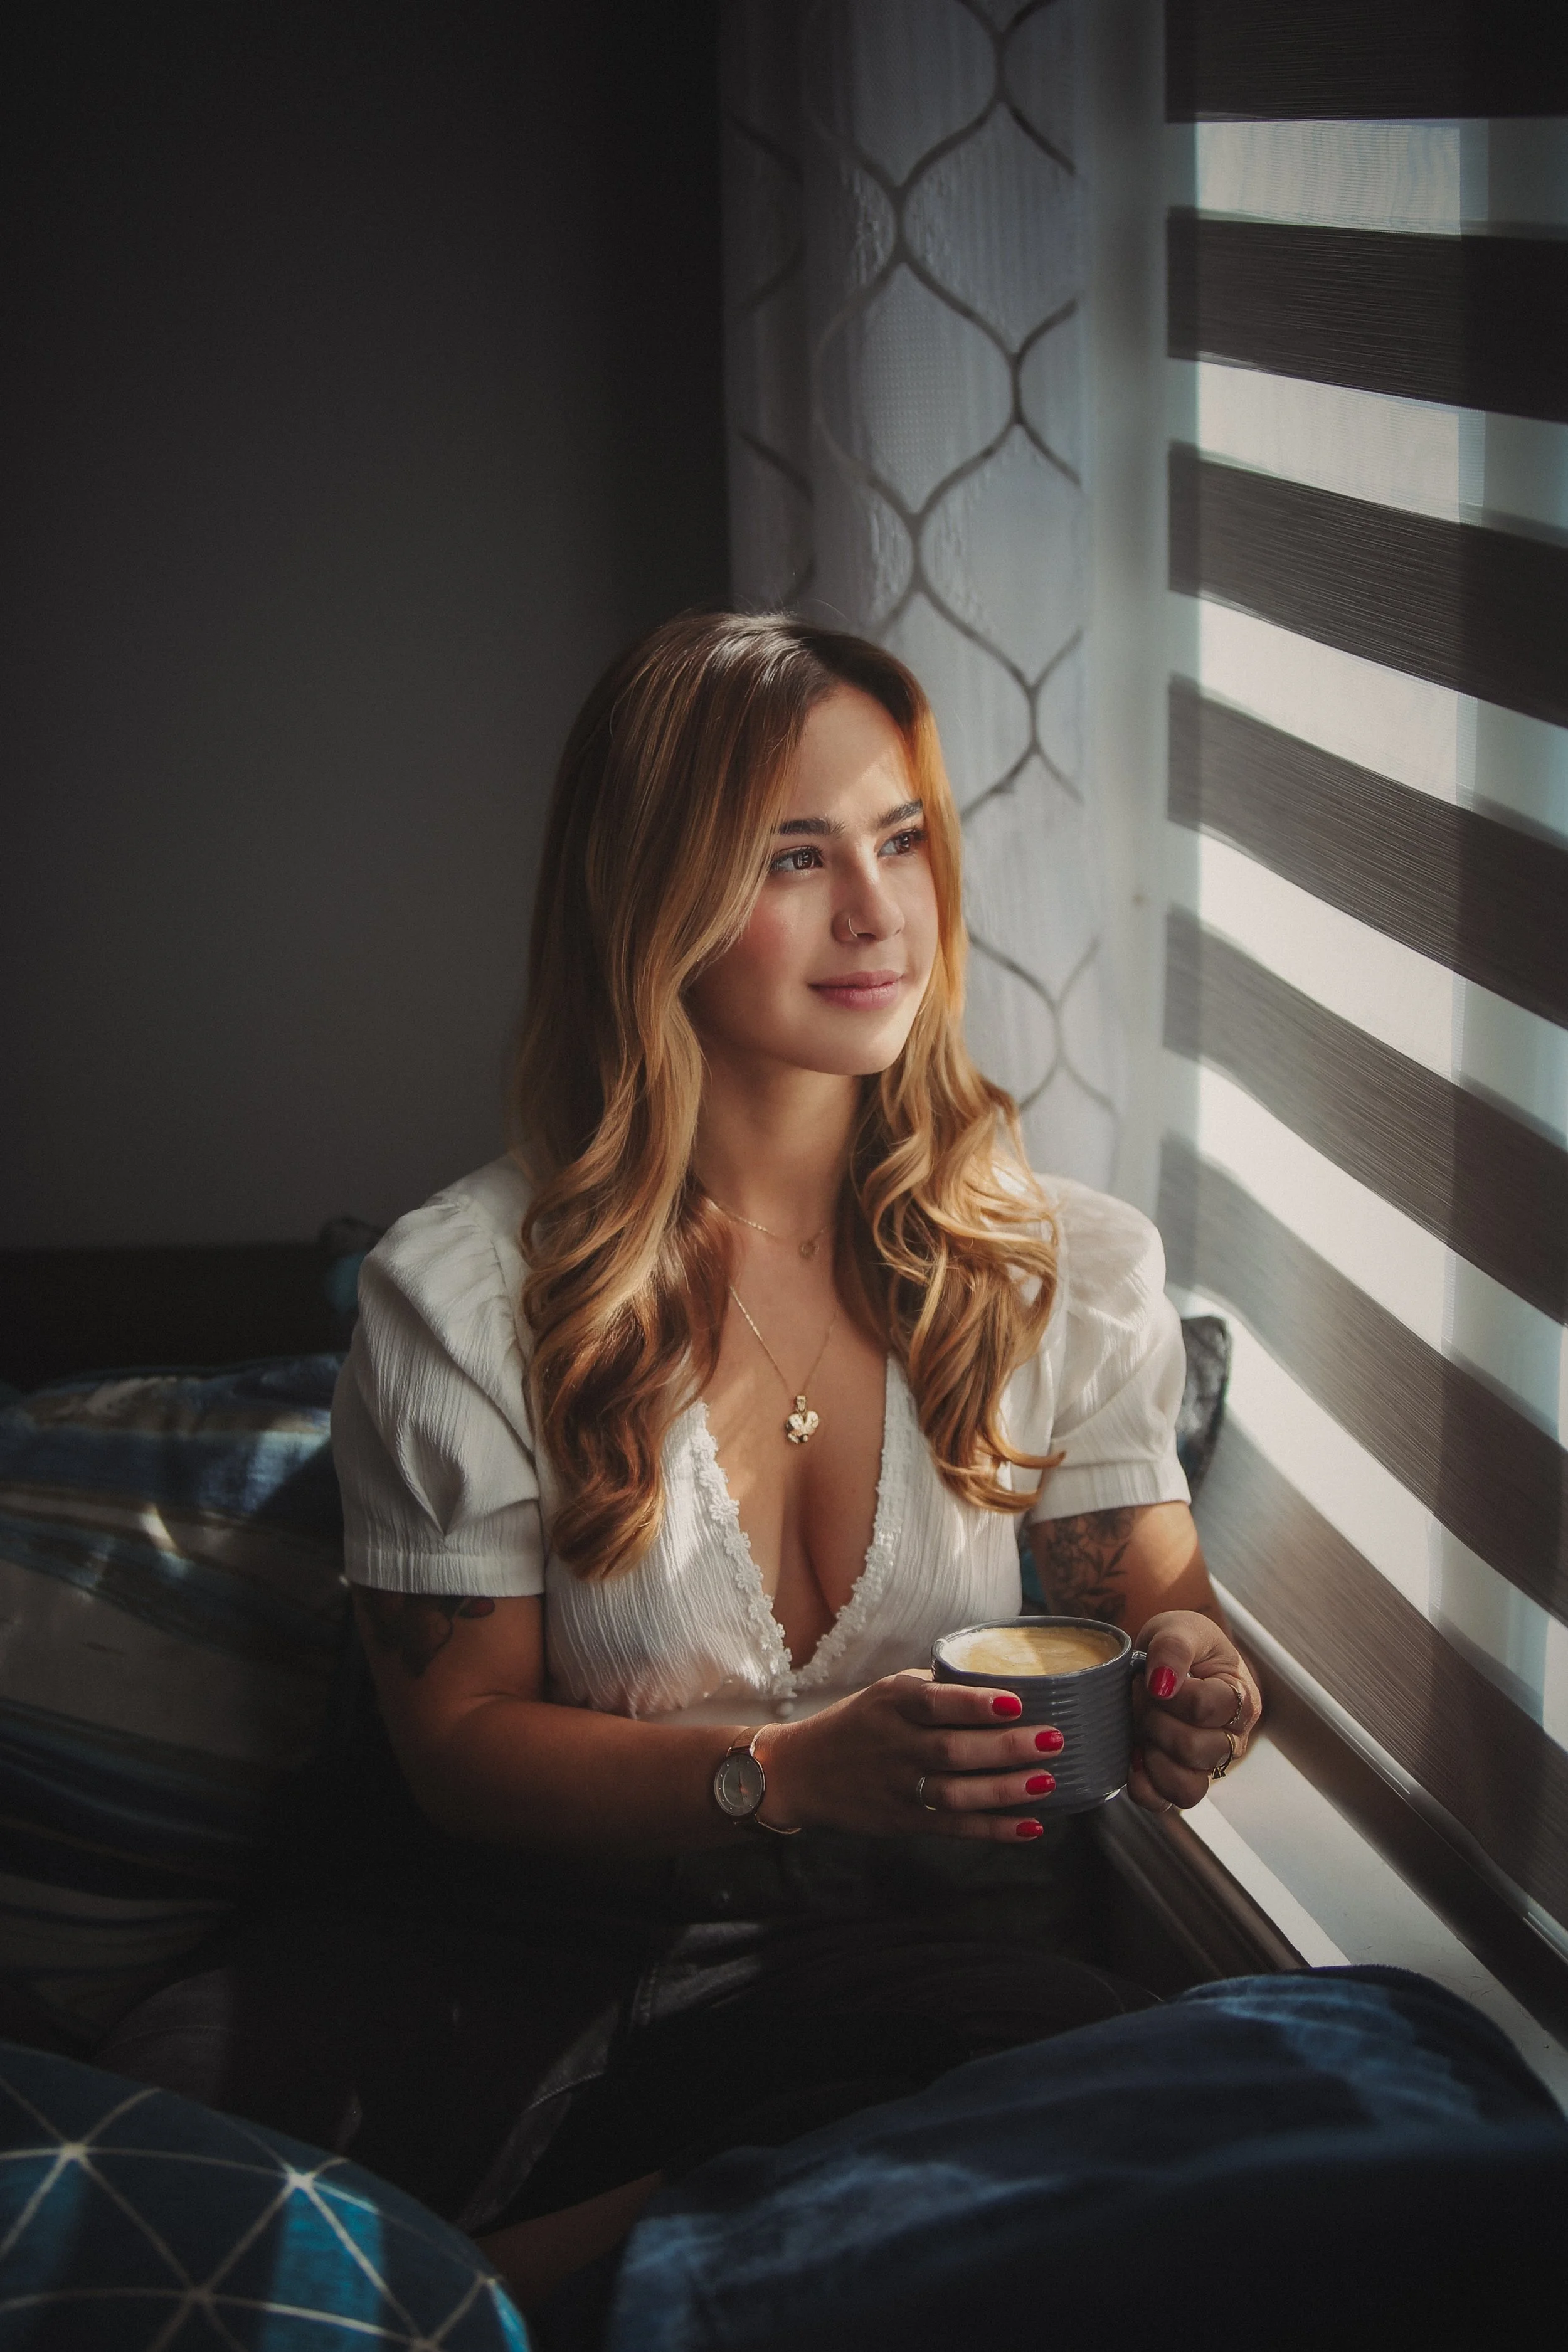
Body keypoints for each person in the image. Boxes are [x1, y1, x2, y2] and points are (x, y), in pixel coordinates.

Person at [105, 612, 1260, 2316]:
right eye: (793, 854)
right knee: (180, 2160)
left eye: (901, 840)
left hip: (912, 1951)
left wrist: (1198, 1675)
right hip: (511, 1934)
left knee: (1107, 2091)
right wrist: (784, 1770)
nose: (877, 911)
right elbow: (460, 1746)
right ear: (649, 889)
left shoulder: (1056, 1265)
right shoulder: (472, 1292)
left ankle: (527, 2283)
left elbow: (1151, 1596)